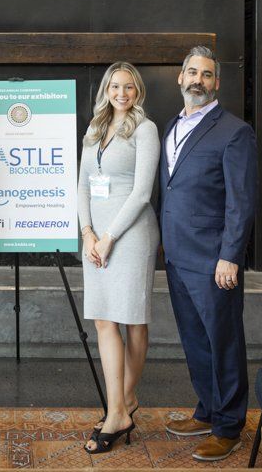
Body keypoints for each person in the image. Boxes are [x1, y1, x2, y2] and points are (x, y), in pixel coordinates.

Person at [159, 46, 257, 462]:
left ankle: (229, 426)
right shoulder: (171, 125)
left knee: (223, 342)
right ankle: (207, 411)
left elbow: (241, 201)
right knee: (195, 340)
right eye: (192, 72)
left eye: (207, 74)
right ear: (180, 78)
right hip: (177, 255)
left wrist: (230, 256)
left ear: (216, 82)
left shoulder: (234, 131)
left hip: (214, 259)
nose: (198, 80)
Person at [77, 62, 160, 453]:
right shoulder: (94, 129)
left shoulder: (145, 129)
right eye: (115, 86)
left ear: (137, 91)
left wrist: (109, 237)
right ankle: (118, 409)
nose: (122, 93)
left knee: (133, 320)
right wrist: (88, 233)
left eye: (129, 87)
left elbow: (142, 192)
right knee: (103, 320)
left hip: (130, 235)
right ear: (106, 90)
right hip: (95, 238)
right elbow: (82, 186)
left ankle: (122, 404)